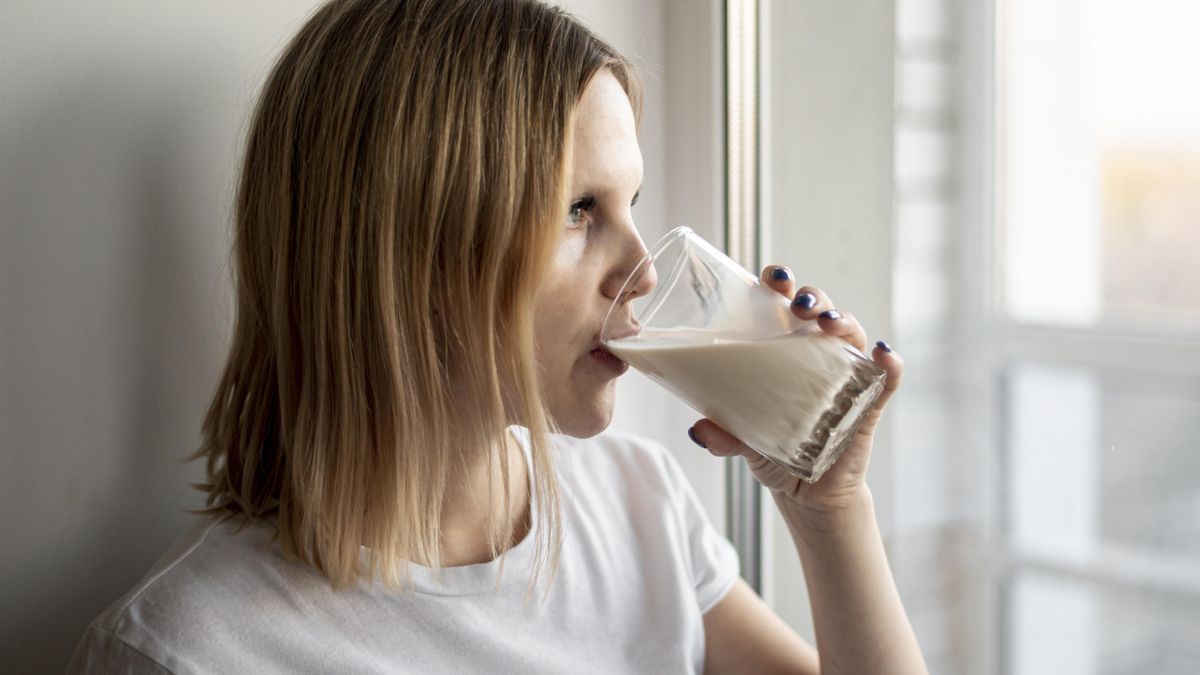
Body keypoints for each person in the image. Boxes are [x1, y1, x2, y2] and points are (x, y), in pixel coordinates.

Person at [68, 0, 927, 672]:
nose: (643, 268)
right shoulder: (188, 651)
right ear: (404, 252)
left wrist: (830, 509)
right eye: (578, 210)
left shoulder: (639, 509)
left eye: (631, 204)